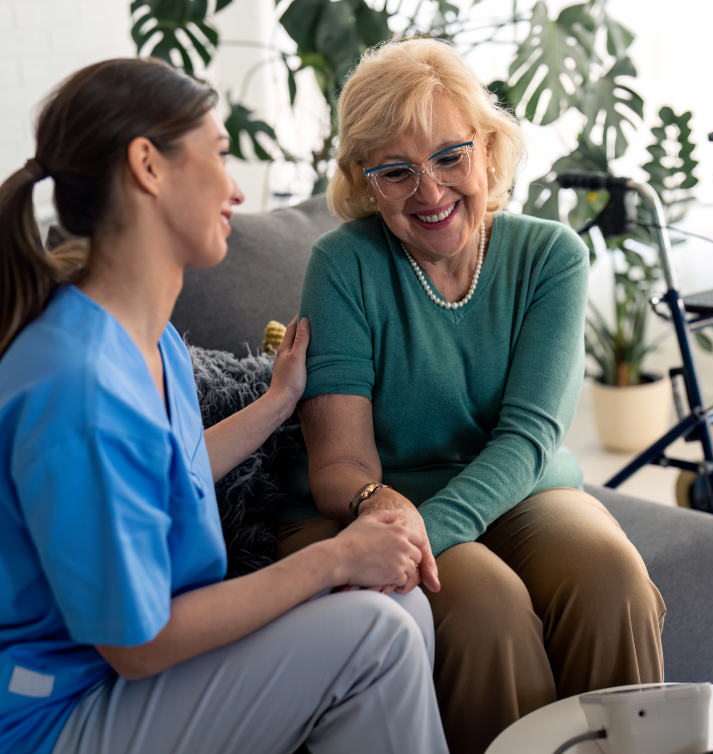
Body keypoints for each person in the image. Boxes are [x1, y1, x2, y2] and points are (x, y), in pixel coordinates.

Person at [0, 58, 447, 754]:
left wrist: (277, 403)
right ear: (148, 165)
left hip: (121, 684)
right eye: (219, 154)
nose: (236, 189)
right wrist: (333, 560)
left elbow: (163, 472)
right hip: (58, 715)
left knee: (401, 604)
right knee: (376, 634)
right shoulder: (74, 382)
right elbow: (136, 644)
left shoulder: (153, 344)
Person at [278, 38, 666, 754]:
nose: (429, 193)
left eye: (450, 157)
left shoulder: (551, 255)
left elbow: (527, 439)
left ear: (488, 151)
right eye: (395, 172)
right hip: (382, 501)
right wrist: (380, 513)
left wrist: (429, 529)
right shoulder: (343, 264)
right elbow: (339, 464)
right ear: (365, 184)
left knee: (614, 578)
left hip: (521, 490)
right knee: (487, 610)